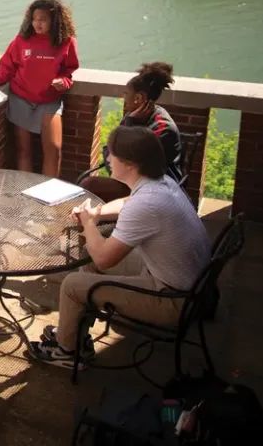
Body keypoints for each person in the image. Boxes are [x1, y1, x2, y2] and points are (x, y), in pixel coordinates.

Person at [27, 126, 211, 369]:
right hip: (187, 284)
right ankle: (74, 334)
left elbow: (104, 258)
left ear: (129, 164)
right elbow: (130, 201)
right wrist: (97, 212)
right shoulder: (161, 182)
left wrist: (88, 223)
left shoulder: (148, 204)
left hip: (173, 301)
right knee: (87, 258)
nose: (107, 159)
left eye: (110, 154)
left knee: (73, 284)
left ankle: (67, 352)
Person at [0, 0, 79, 177]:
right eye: (34, 19)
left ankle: (48, 192)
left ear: (54, 21)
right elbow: (7, 66)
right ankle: (27, 192)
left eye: (43, 20)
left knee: (54, 150)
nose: (37, 24)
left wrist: (63, 82)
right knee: (23, 150)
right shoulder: (22, 40)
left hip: (49, 101)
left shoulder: (67, 42)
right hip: (21, 98)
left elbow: (69, 70)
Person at [82, 62, 183, 203]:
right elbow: (112, 153)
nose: (124, 97)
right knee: (88, 186)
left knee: (89, 185)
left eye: (126, 93)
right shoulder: (133, 117)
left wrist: (117, 159)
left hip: (156, 190)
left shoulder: (162, 129)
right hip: (134, 181)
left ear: (138, 98)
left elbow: (134, 168)